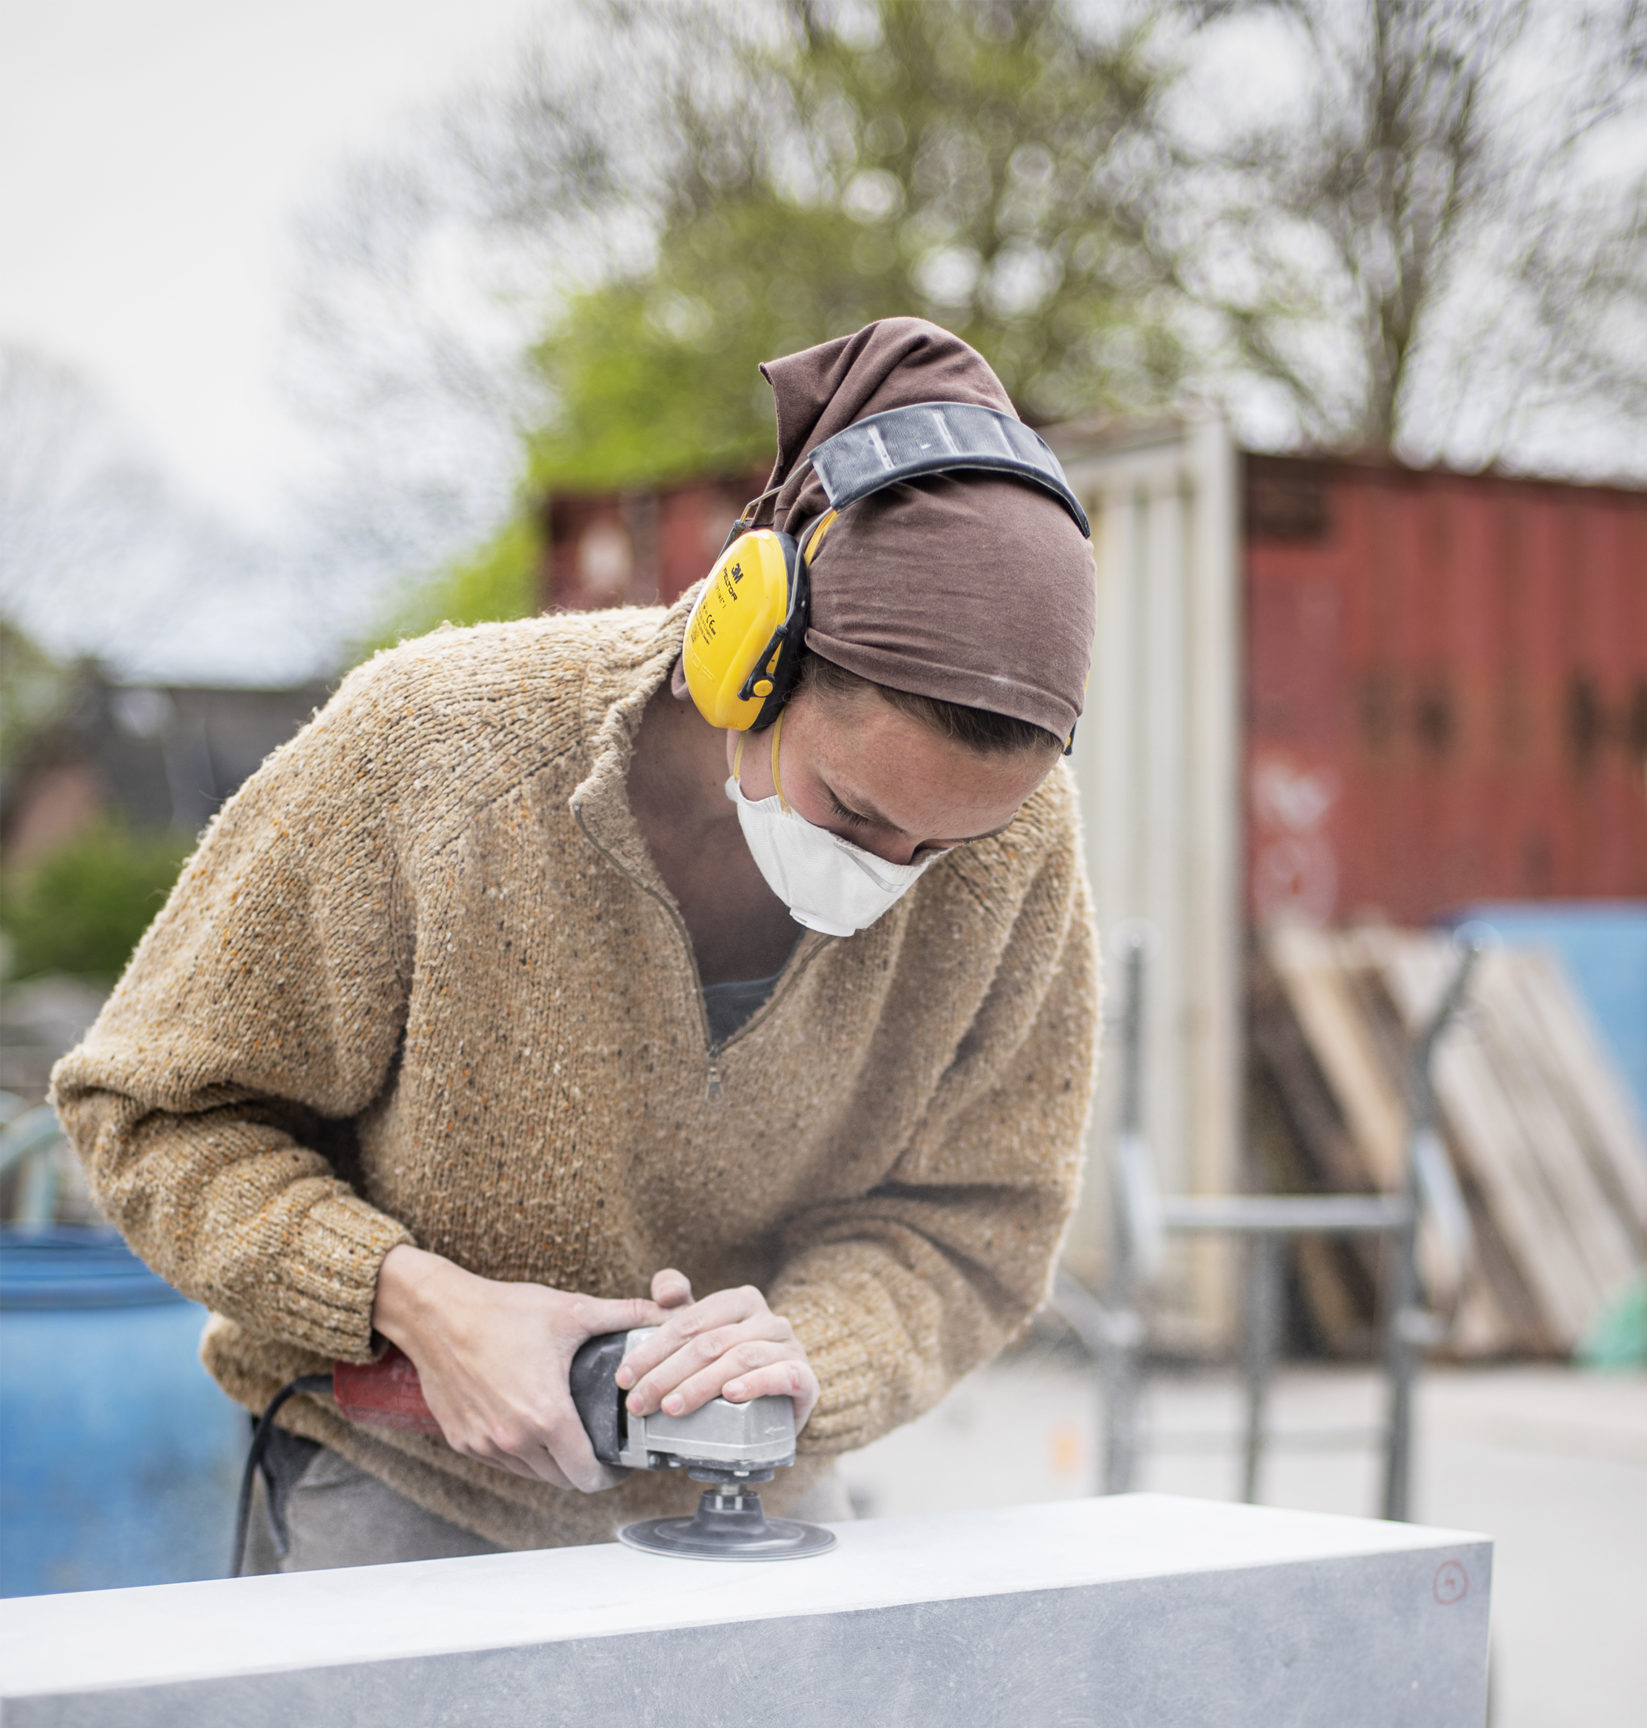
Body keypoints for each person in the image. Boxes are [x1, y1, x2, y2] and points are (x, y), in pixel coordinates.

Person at [53, 317, 1100, 1569]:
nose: (886, 878)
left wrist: (809, 1353)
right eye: (857, 814)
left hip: (748, 1500)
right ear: (746, 651)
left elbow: (974, 1222)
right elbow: (151, 1113)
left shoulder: (1017, 841)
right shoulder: (429, 753)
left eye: (940, 850)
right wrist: (413, 1301)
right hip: (405, 1489)